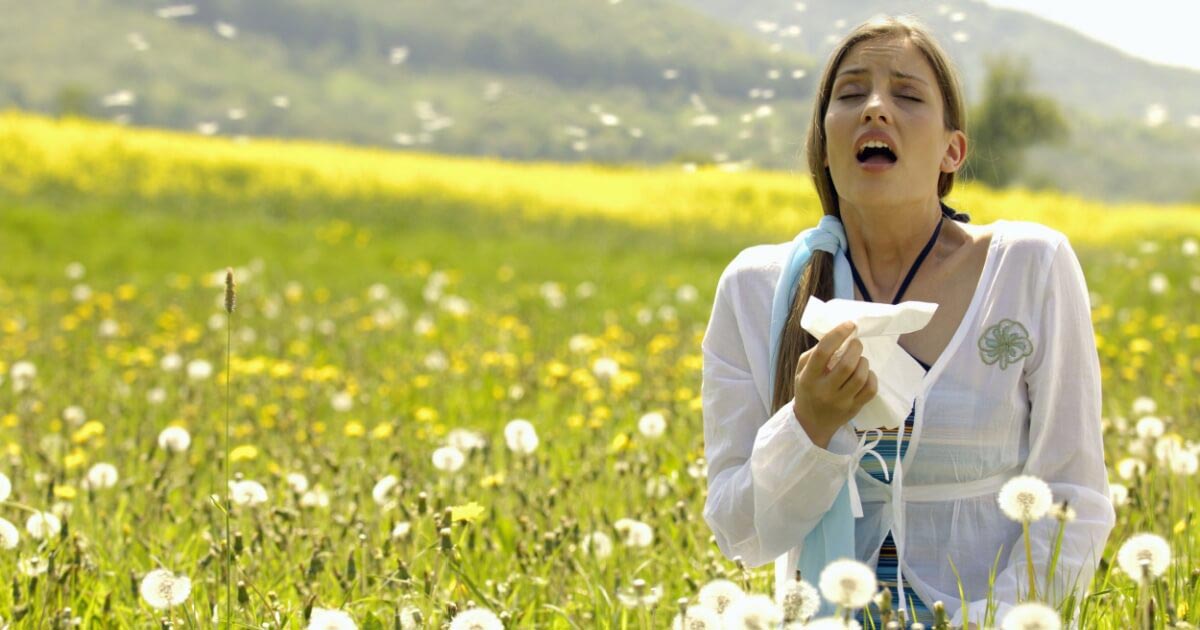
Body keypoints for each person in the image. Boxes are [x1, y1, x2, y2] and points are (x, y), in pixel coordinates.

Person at [699, 14, 1115, 628]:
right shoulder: (756, 289)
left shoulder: (1029, 268)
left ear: (953, 149)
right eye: (850, 94)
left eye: (907, 94)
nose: (874, 108)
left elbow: (1072, 498)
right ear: (824, 139)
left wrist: (1001, 622)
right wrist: (807, 427)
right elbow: (741, 534)